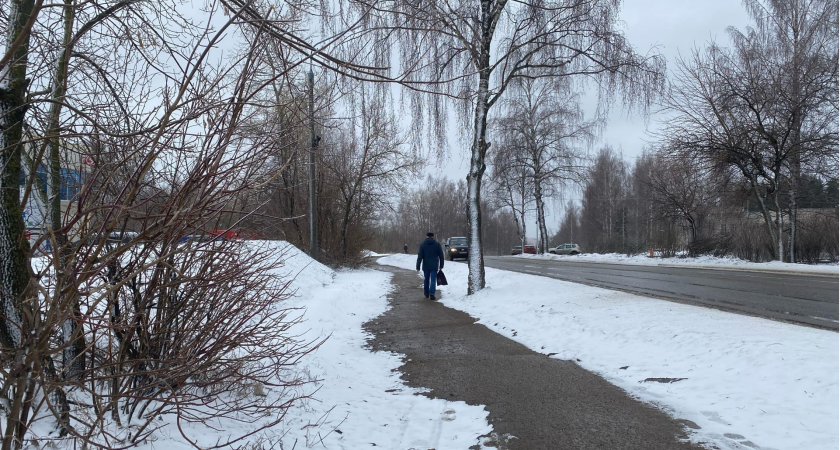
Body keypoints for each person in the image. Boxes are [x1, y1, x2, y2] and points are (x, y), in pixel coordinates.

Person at [416, 232, 444, 300]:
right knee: (433, 280)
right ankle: (432, 294)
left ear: (427, 236)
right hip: (434, 265)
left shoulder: (422, 244)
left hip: (426, 265)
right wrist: (441, 265)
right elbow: (441, 255)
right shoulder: (437, 244)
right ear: (433, 236)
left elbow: (420, 256)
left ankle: (426, 293)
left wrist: (418, 266)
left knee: (426, 279)